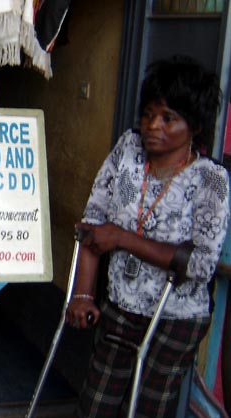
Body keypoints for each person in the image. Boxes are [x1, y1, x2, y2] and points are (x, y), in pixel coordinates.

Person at [66, 55, 230, 417]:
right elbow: (93, 223)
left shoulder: (210, 179)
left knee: (145, 410)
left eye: (168, 118)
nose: (152, 125)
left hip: (174, 319)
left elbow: (200, 264)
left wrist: (122, 239)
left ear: (195, 127)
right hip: (120, 305)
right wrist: (82, 293)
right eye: (148, 114)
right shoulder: (128, 150)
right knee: (95, 405)